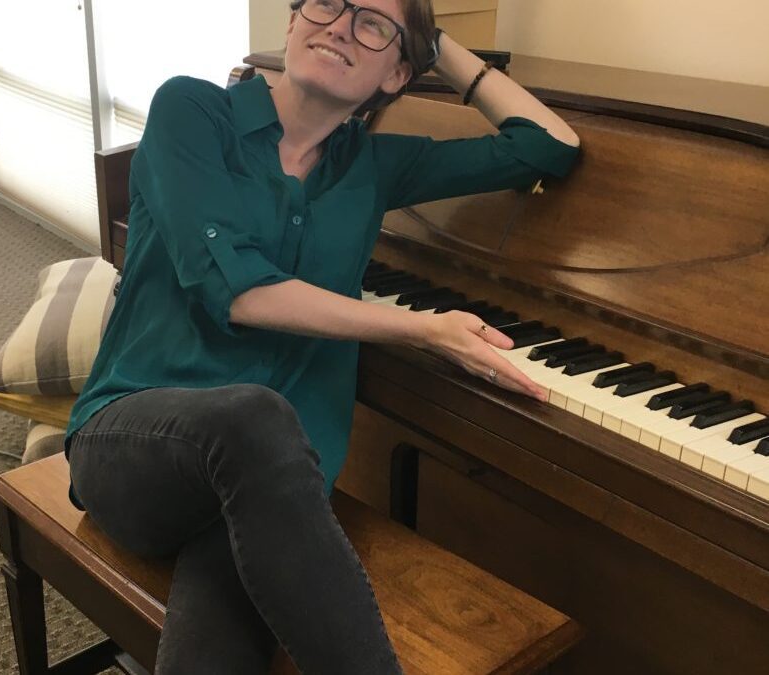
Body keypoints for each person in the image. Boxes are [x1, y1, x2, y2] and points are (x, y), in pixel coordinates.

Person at [64, 0, 580, 673]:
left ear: (397, 75)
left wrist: (436, 42)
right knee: (253, 417)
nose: (339, 24)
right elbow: (242, 292)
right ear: (291, 21)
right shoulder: (192, 112)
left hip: (268, 490)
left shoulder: (375, 165)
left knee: (217, 648)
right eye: (329, 3)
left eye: (370, 24)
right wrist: (425, 328)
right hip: (133, 445)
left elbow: (551, 147)